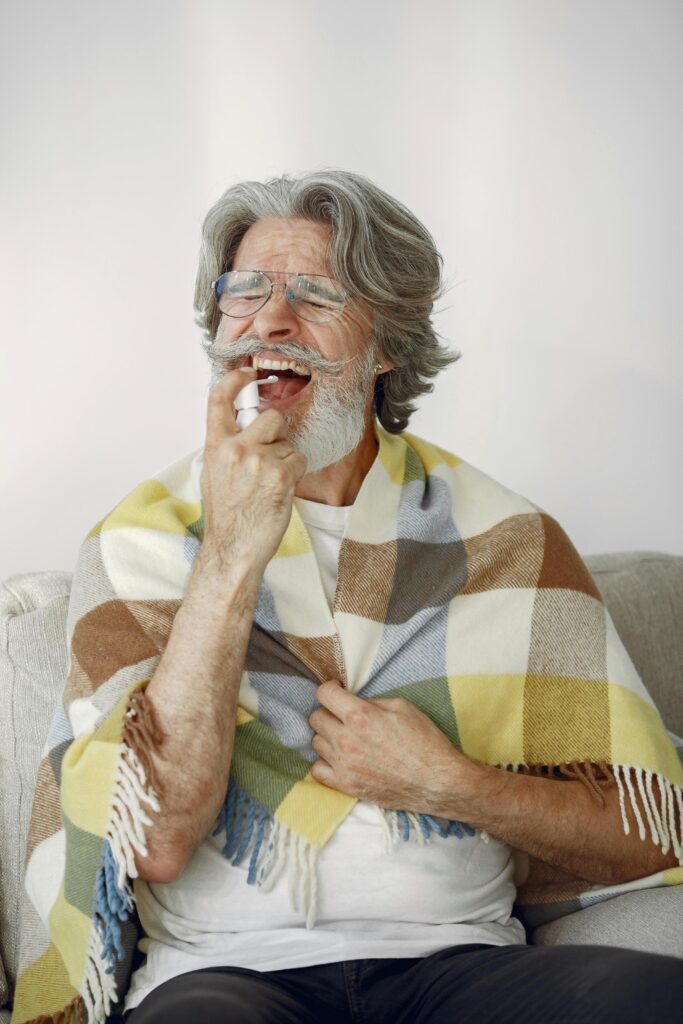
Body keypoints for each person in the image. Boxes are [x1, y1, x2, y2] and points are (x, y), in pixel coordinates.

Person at [13, 170, 683, 1024]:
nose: (271, 321)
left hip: (457, 967)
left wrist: (449, 784)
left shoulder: (506, 538)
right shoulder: (138, 544)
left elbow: (644, 829)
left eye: (316, 295)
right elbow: (156, 840)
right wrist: (228, 555)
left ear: (388, 343)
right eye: (244, 292)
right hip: (224, 978)